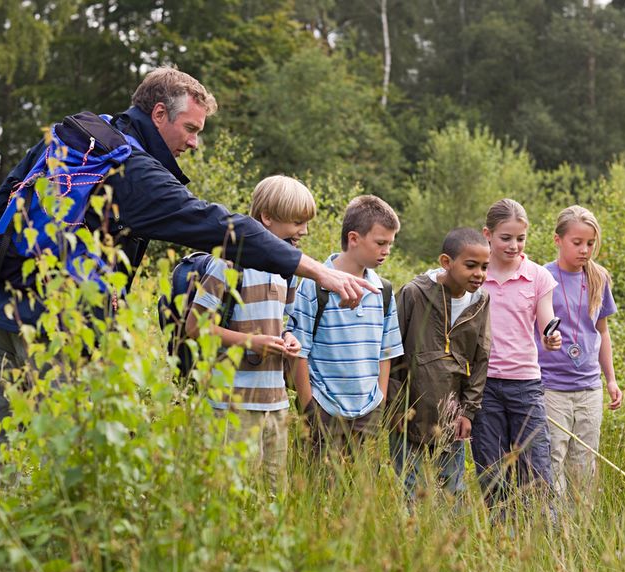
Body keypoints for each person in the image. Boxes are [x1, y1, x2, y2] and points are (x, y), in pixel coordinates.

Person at [0, 67, 374, 458]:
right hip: (59, 323)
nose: (194, 142)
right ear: (159, 113)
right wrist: (319, 270)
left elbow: (2, 203)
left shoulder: (79, 135)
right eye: (190, 128)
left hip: (1, 298)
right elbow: (223, 228)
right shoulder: (133, 169)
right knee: (64, 449)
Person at [184, 175, 315, 494]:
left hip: (276, 402)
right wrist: (251, 342)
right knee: (234, 494)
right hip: (233, 403)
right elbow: (195, 326)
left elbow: (280, 322)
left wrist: (288, 338)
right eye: (297, 222)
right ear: (267, 218)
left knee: (274, 495)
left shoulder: (288, 270)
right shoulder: (229, 263)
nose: (304, 231)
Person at [289, 195, 403, 459]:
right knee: (317, 492)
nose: (386, 250)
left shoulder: (383, 290)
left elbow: (386, 352)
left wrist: (380, 401)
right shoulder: (313, 284)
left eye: (390, 244)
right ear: (354, 239)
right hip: (324, 409)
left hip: (368, 412)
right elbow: (298, 351)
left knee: (359, 495)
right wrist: (309, 407)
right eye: (380, 243)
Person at [470, 199, 562, 514]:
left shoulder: (538, 277)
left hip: (525, 384)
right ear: (488, 235)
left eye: (520, 238)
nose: (513, 245)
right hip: (485, 386)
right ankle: (501, 536)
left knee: (536, 467)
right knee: (492, 471)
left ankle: (543, 537)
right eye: (505, 238)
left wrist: (552, 336)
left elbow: (546, 319)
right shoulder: (476, 277)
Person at [388, 228, 491, 501]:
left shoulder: (481, 301)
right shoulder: (413, 293)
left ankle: (453, 541)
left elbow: (480, 358)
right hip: (408, 411)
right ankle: (408, 539)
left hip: (451, 414)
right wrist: (395, 407)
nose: (479, 274)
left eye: (484, 267)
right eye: (471, 265)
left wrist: (468, 411)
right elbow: (391, 351)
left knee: (453, 491)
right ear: (447, 262)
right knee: (408, 488)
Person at [537, 205, 622, 506]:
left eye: (590, 243)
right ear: (558, 240)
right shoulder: (542, 278)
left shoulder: (598, 278)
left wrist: (610, 379)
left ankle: (580, 526)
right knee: (553, 455)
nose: (585, 250)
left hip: (588, 387)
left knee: (584, 460)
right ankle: (554, 523)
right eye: (577, 243)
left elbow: (603, 331)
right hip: (551, 386)